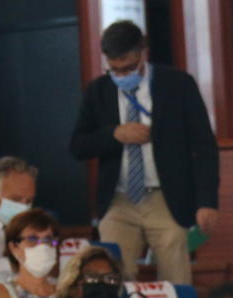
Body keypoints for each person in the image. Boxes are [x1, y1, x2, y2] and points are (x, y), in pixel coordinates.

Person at [70, 20, 219, 284]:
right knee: (113, 278)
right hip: (118, 200)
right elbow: (78, 146)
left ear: (142, 52)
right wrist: (114, 134)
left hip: (166, 197)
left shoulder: (178, 85)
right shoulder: (98, 91)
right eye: (114, 69)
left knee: (175, 278)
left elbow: (204, 146)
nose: (121, 75)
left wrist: (207, 200)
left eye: (128, 68)